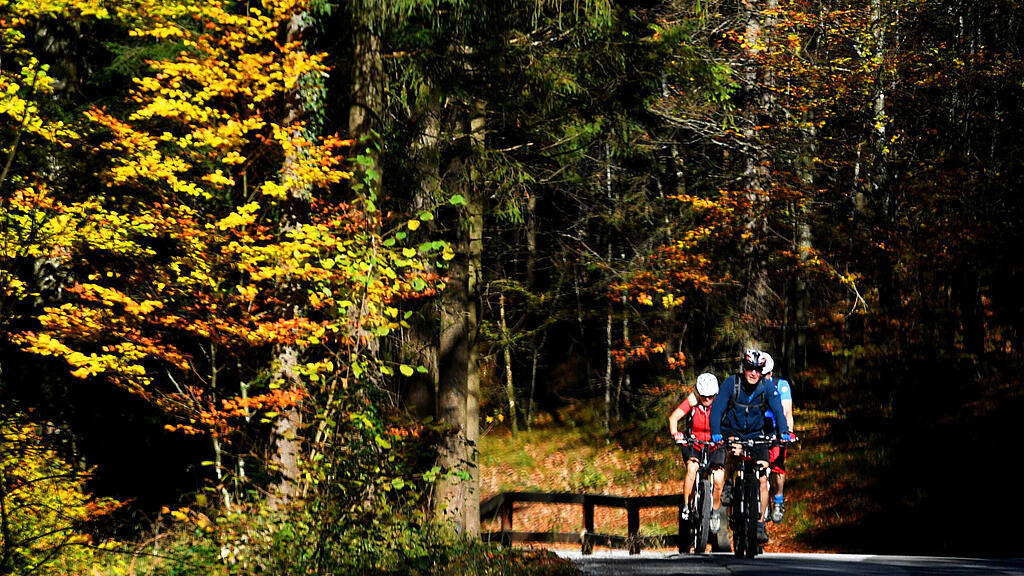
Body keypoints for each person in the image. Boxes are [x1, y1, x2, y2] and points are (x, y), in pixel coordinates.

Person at [709, 349, 789, 544]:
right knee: (734, 452)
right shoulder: (731, 383)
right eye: (750, 369)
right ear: (744, 369)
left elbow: (778, 409)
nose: (754, 373)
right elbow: (718, 408)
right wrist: (716, 432)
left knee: (762, 476)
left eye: (758, 370)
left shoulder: (767, 387)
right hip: (733, 430)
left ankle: (759, 524)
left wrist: (784, 431)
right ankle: (728, 484)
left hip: (757, 434)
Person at [668, 372, 726, 533]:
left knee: (719, 478)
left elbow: (732, 420)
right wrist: (676, 433)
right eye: (704, 396)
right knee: (692, 468)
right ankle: (687, 505)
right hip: (695, 442)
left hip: (715, 444)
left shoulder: (721, 403)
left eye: (710, 396)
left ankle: (715, 511)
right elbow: (673, 418)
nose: (707, 400)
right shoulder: (692, 401)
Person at [760, 352, 796, 524]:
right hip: (758, 429)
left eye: (766, 374)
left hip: (777, 429)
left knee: (777, 466)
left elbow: (787, 411)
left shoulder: (781, 386)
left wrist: (788, 432)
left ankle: (779, 499)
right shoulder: (752, 386)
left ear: (771, 373)